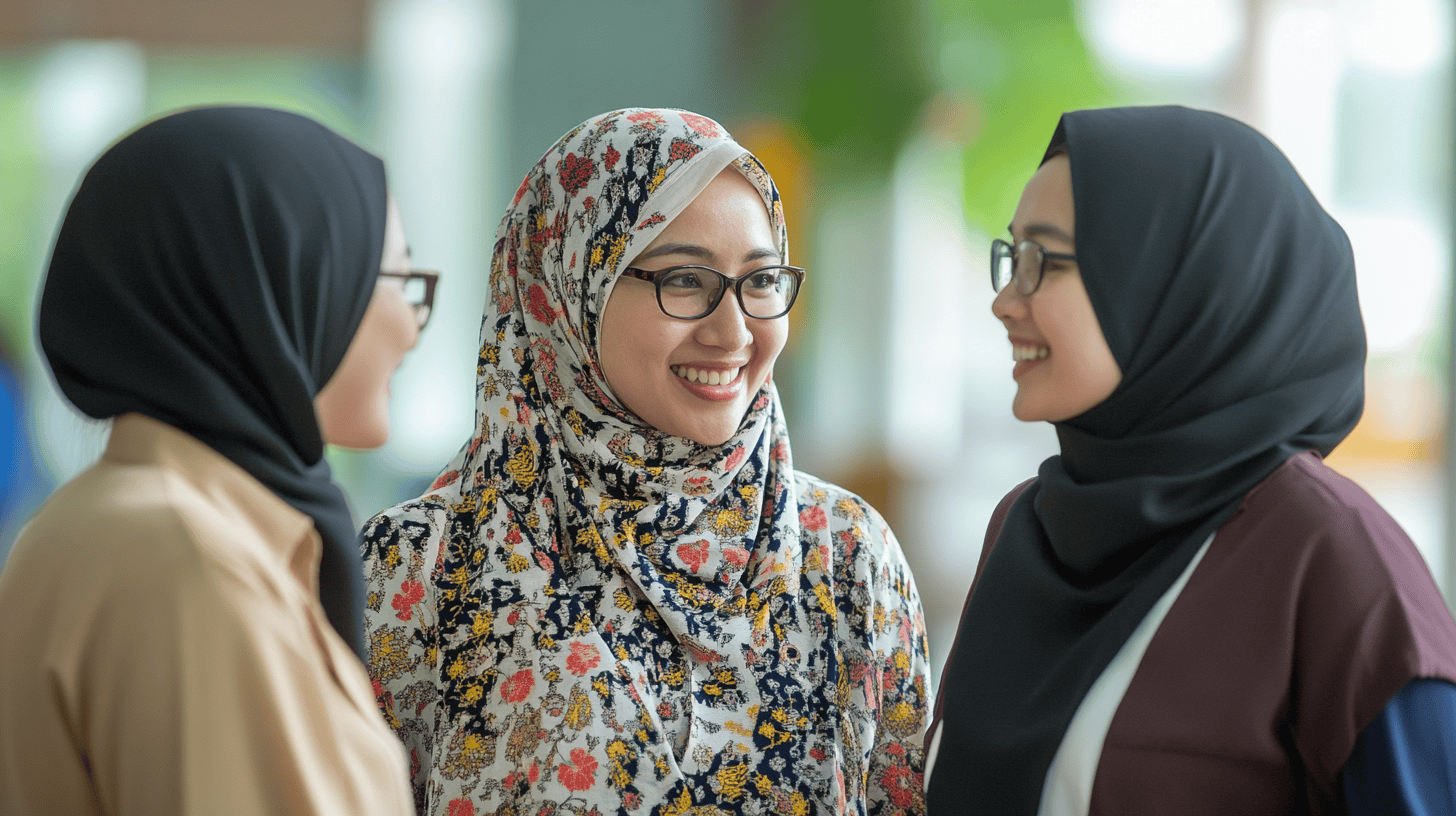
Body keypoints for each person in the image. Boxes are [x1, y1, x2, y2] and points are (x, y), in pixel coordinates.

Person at [361, 107, 930, 815]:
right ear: (566, 286)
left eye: (760, 281)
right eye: (685, 280)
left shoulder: (847, 555)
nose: (734, 332)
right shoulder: (415, 568)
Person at [923, 105, 1456, 814]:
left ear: (1171, 283)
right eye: (1010, 256)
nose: (1003, 300)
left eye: (1041, 262)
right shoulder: (1025, 527)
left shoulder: (1333, 560)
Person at [0, 106, 437, 815]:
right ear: (273, 285)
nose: (414, 321)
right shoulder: (190, 560)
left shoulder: (100, 522)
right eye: (395, 277)